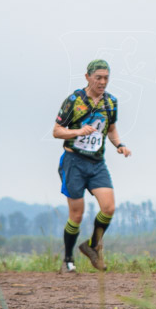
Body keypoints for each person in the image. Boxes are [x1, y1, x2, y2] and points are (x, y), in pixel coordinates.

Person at [52, 59, 132, 272]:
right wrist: (78, 131)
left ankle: (92, 246)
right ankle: (68, 259)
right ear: (87, 77)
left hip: (97, 163)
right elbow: (57, 130)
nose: (102, 82)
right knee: (76, 215)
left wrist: (120, 145)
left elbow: (111, 128)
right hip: (73, 162)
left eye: (106, 78)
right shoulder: (74, 100)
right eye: (98, 77)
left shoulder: (111, 102)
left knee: (109, 207)